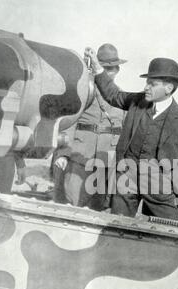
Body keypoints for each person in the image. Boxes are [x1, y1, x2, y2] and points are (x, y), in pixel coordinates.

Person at [85, 48, 178, 221]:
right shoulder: (136, 102)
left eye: (152, 84)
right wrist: (98, 67)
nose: (146, 87)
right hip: (126, 178)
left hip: (159, 185)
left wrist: (170, 179)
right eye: (147, 82)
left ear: (168, 88)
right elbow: (113, 95)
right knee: (118, 226)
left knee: (168, 231)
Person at [52, 44, 126, 210]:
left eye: (113, 68)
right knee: (73, 201)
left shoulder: (121, 97)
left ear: (118, 70)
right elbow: (68, 121)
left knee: (98, 208)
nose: (110, 72)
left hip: (106, 160)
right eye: (106, 68)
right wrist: (63, 153)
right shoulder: (84, 90)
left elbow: (125, 132)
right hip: (80, 154)